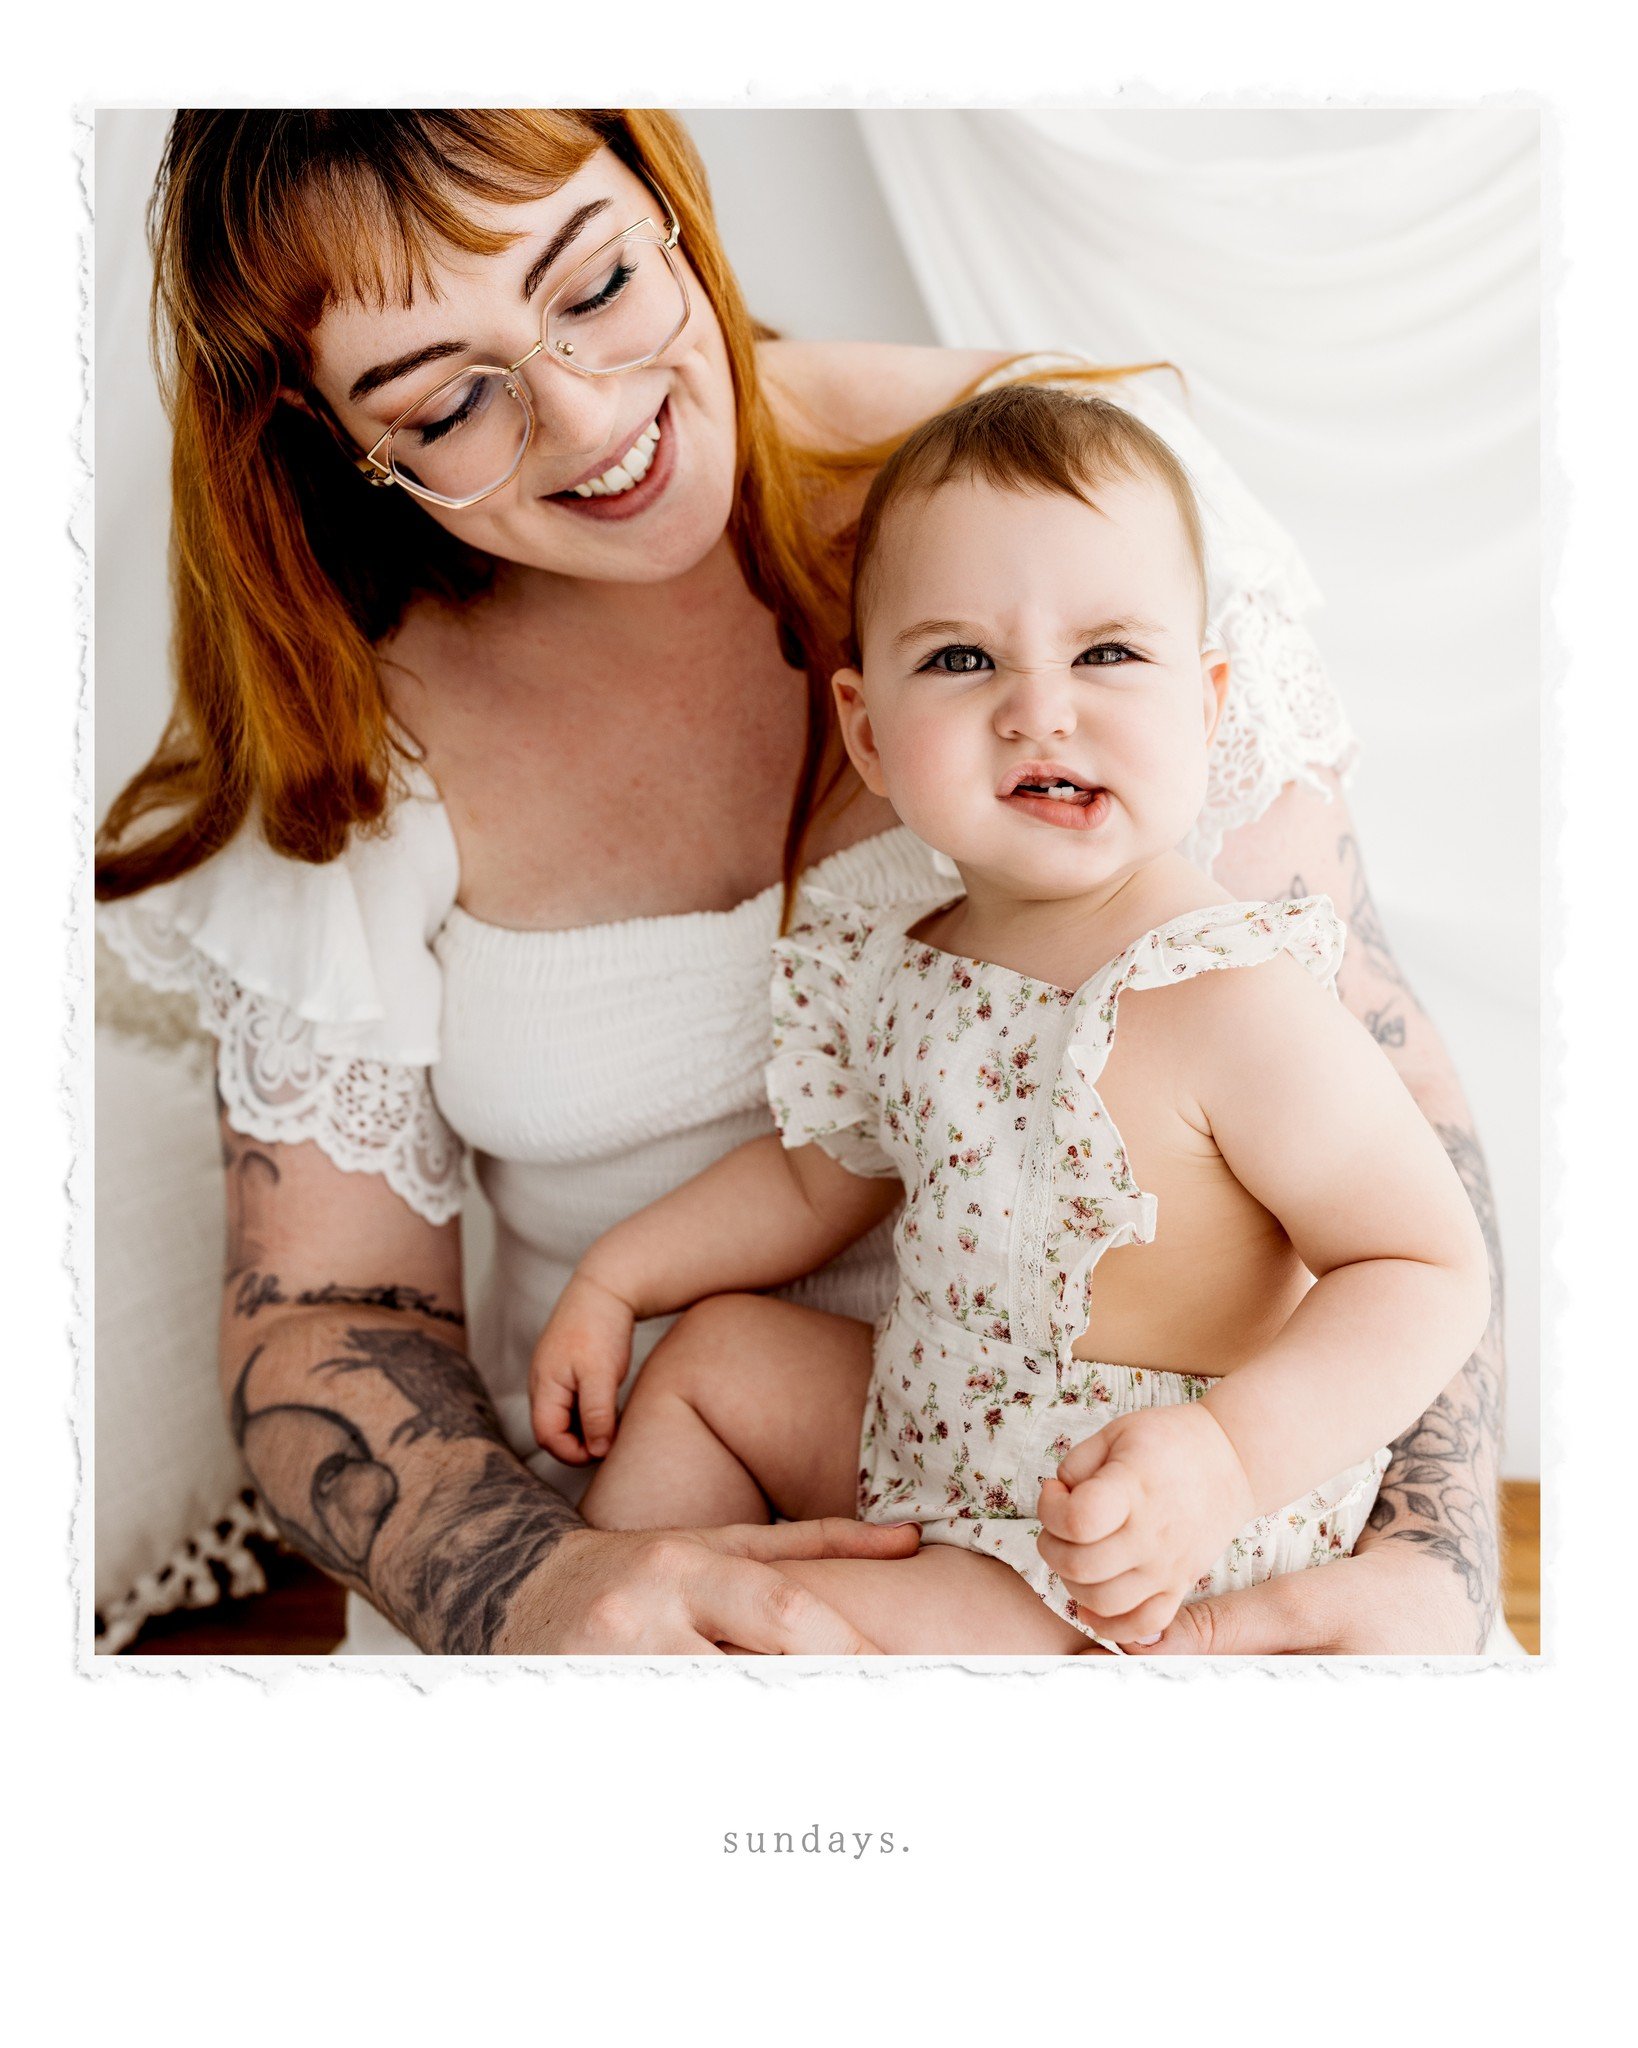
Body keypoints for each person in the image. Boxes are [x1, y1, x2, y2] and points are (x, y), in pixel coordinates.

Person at [95, 109, 1506, 1655]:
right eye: (445, 405)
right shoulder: (347, 722)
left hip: (1142, 1517)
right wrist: (546, 1587)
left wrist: (1424, 1566)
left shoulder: (1068, 514)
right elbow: (331, 1310)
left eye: (597, 285)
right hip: (685, 1518)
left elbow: (1380, 1110)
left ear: (670, 200)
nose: (581, 416)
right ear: (330, 433)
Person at [530, 384, 1493, 1653]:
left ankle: (711, 1673)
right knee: (709, 1362)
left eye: (1107, 653)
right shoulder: (898, 964)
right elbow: (821, 1184)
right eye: (962, 658)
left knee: (800, 1633)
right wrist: (619, 1276)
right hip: (930, 1428)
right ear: (868, 731)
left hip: (1121, 1535)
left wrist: (1222, 1459)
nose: (1041, 707)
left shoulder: (1227, 986)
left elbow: (1425, 1267)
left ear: (1206, 707)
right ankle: (609, 1649)